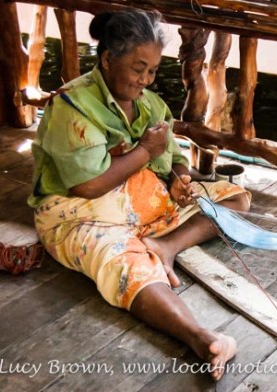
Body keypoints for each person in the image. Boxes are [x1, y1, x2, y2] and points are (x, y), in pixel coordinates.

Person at [27, 10, 251, 380]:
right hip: (80, 213)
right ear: (108, 59)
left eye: (151, 70)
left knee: (235, 198)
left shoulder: (148, 103)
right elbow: (87, 186)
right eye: (137, 68)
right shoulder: (72, 105)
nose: (144, 80)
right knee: (125, 265)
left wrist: (180, 178)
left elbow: (175, 156)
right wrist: (145, 152)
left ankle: (166, 247)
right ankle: (201, 337)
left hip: (144, 204)